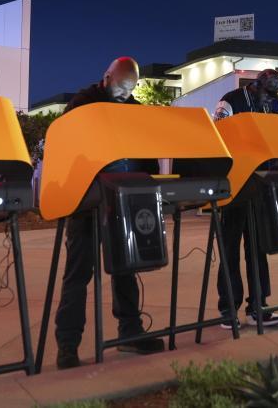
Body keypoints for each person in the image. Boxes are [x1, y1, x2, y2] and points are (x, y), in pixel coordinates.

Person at [54, 57, 164, 369]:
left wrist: (148, 184)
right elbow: (67, 148)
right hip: (87, 201)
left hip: (124, 200)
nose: (123, 95)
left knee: (126, 269)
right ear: (106, 77)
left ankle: (130, 332)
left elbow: (146, 154)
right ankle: (67, 344)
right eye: (120, 87)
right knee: (78, 274)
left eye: (130, 90)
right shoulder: (82, 105)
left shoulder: (134, 109)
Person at [213, 69, 278, 329]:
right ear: (256, 86)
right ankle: (228, 309)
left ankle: (259, 307)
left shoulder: (273, 104)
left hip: (261, 183)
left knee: (258, 247)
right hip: (235, 183)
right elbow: (219, 134)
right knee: (230, 248)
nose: (272, 100)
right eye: (269, 94)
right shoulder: (230, 100)